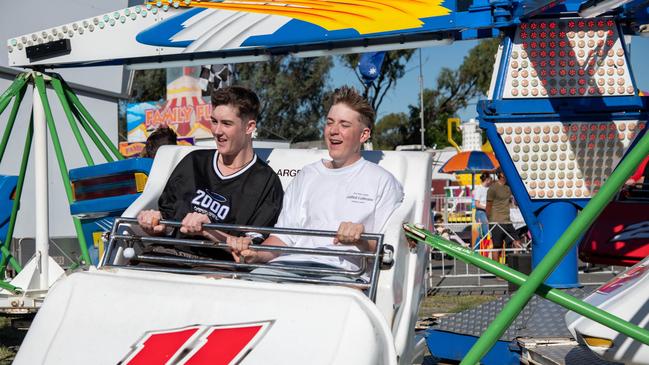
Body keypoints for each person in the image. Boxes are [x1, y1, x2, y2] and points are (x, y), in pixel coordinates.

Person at [226, 86, 404, 280]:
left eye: (344, 125)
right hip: (287, 268)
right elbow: (284, 237)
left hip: (342, 274)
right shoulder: (307, 175)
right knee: (247, 287)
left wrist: (360, 240)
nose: (334, 131)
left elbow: (385, 252)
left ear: (363, 135)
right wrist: (256, 255)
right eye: (330, 123)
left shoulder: (383, 182)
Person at [137, 86, 284, 261]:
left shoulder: (267, 183)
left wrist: (208, 230)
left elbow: (251, 251)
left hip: (216, 271)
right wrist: (154, 224)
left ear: (249, 127)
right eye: (214, 121)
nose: (217, 131)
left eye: (227, 124)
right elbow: (167, 222)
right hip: (165, 258)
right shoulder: (192, 162)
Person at [486, 169, 518, 263]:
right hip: (496, 222)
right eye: (505, 171)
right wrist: (490, 222)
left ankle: (512, 268)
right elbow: (488, 206)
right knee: (497, 246)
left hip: (508, 221)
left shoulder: (509, 187)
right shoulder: (493, 188)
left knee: (516, 242)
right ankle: (497, 271)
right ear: (500, 174)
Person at [472, 172, 492, 249]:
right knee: (485, 232)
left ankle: (477, 250)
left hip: (488, 212)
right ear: (487, 180)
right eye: (490, 179)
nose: (491, 180)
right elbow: (477, 204)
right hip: (480, 212)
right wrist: (486, 207)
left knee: (484, 233)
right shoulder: (478, 189)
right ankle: (476, 250)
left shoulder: (489, 188)